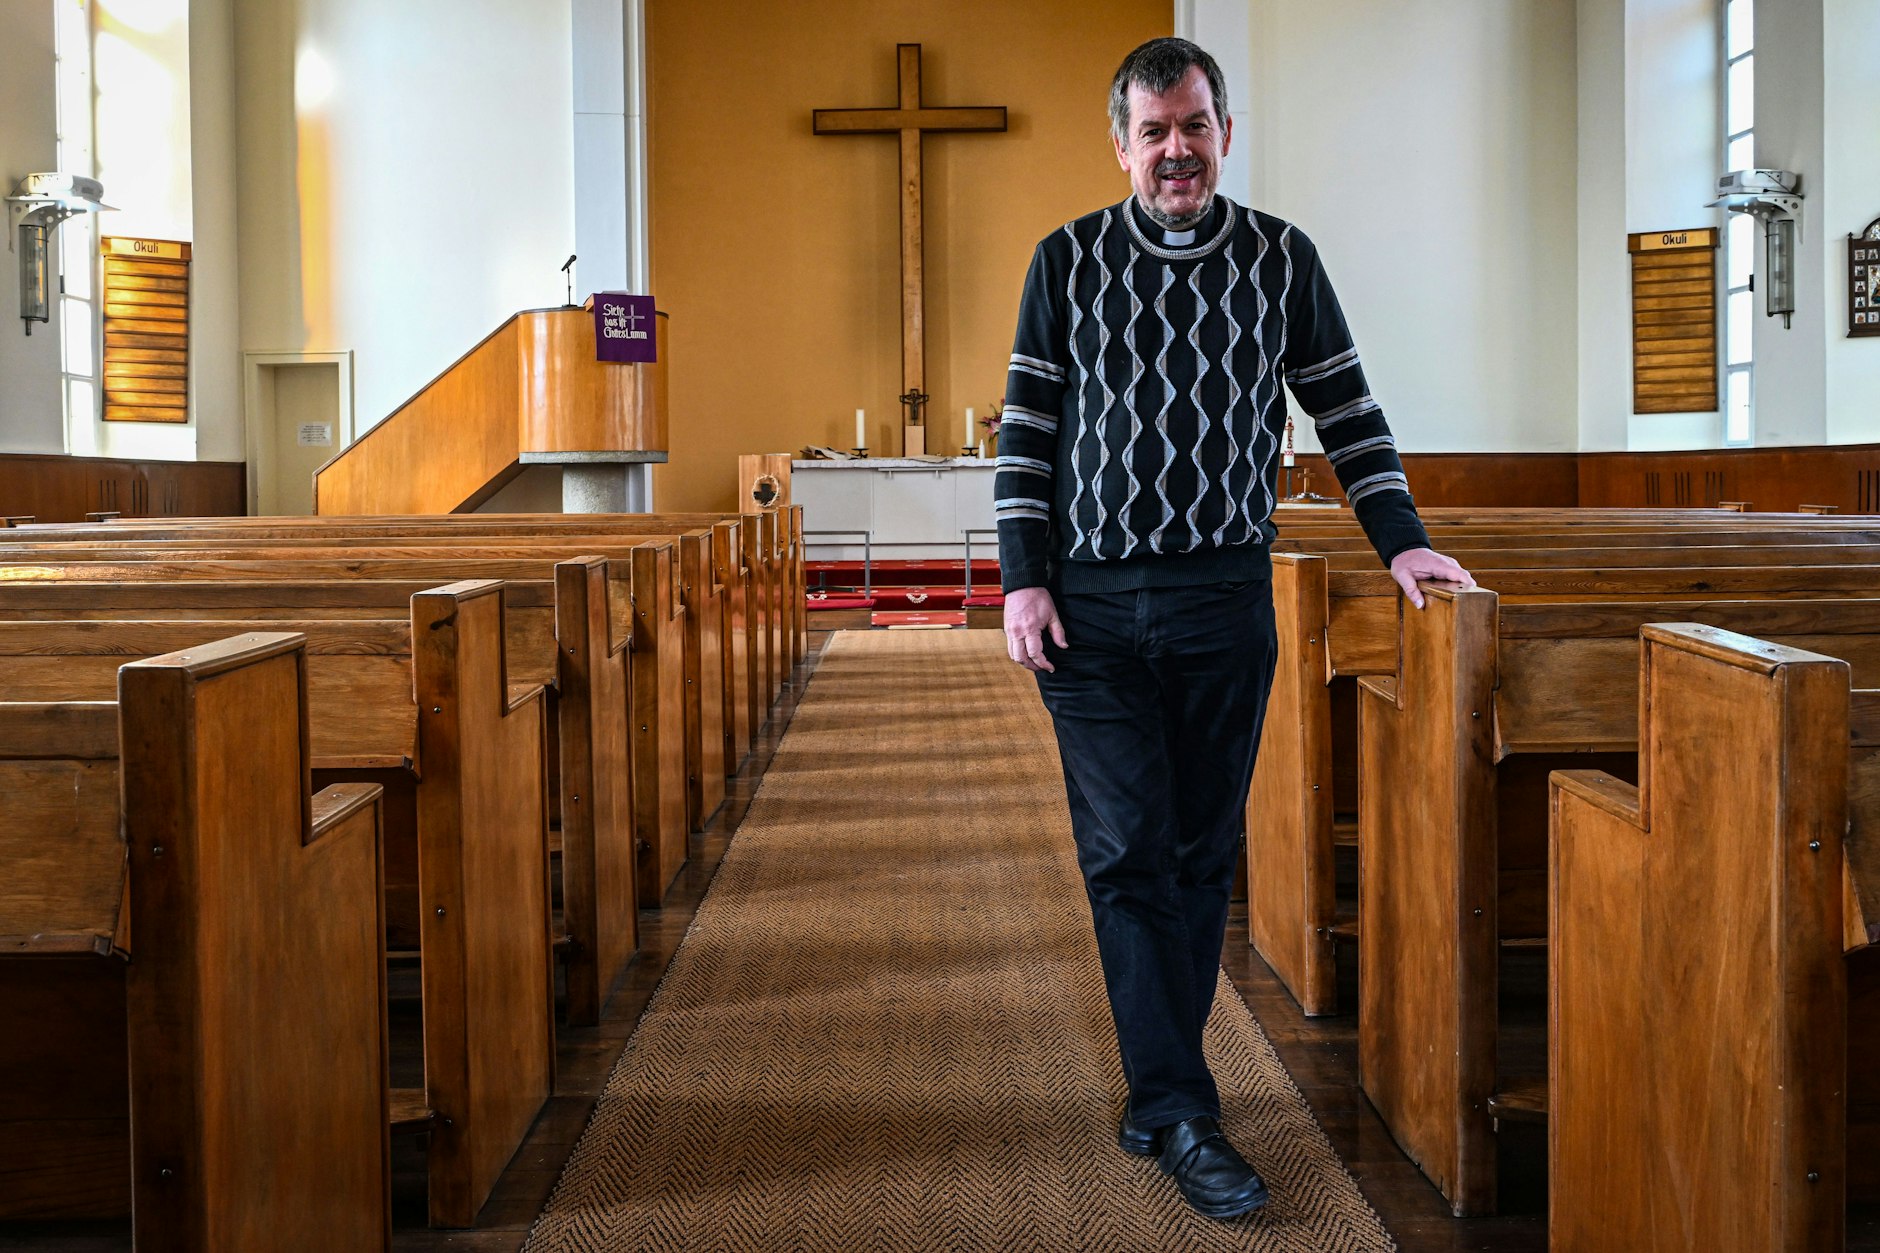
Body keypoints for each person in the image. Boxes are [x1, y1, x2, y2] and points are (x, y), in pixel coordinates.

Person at [995, 36, 1474, 1220]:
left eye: (1194, 125)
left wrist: (1400, 538)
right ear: (1120, 144)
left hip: (1220, 597)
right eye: (1153, 131)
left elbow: (1345, 407)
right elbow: (1028, 432)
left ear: (1223, 131)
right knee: (1124, 850)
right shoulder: (1065, 260)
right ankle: (1179, 1104)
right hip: (1091, 608)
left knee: (1201, 853)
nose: (1176, 150)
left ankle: (1160, 1088)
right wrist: (1021, 579)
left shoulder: (1279, 258)